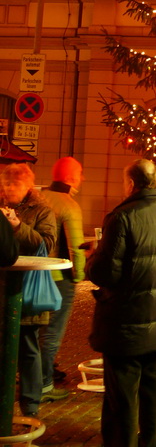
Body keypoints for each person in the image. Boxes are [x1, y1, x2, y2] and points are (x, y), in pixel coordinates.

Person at [87, 158, 156, 447]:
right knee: (154, 384)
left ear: (131, 184)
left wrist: (94, 257)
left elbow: (107, 272)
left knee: (121, 393)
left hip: (126, 320)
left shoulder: (122, 217)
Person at [0, 162, 57, 417]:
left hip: (28, 289)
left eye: (15, 183)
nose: (9, 188)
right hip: (2, 288)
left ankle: (30, 404)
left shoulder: (42, 211)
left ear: (28, 186)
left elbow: (45, 244)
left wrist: (17, 226)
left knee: (28, 346)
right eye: (6, 182)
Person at [39, 155, 86, 401]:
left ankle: (35, 373)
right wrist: (79, 276)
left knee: (36, 328)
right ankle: (44, 383)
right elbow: (76, 247)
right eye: (79, 173)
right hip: (59, 276)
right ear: (70, 177)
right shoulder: (68, 205)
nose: (83, 178)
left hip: (34, 274)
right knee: (52, 331)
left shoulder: (39, 197)